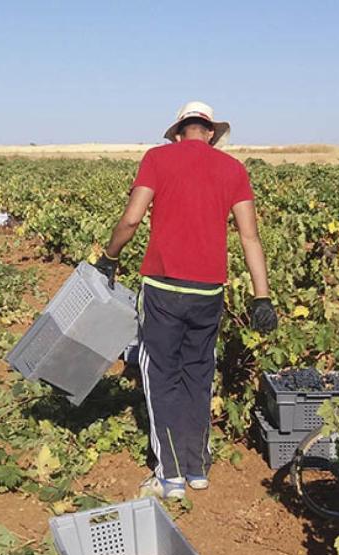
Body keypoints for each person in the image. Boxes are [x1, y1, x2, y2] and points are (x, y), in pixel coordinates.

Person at [94, 101, 278, 499]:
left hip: (162, 289)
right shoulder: (233, 170)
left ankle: (170, 475)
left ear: (178, 131)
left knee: (160, 375)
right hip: (209, 293)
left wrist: (109, 258)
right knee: (198, 374)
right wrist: (262, 297)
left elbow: (131, 219)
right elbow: (250, 236)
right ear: (210, 133)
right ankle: (197, 469)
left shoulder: (157, 159)